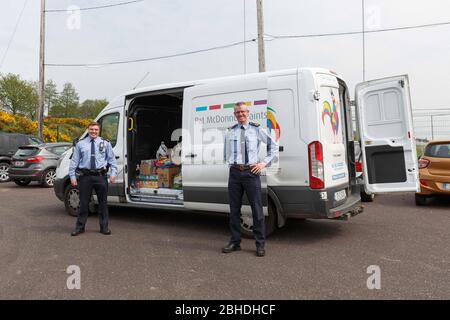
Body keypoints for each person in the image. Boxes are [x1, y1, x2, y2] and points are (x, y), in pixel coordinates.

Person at [222, 102, 279, 257]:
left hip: (251, 173)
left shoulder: (256, 130)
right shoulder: (230, 132)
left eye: (243, 112)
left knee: (257, 209)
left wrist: (262, 164)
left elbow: (273, 147)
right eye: (237, 112)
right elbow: (226, 153)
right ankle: (235, 242)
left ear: (248, 113)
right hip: (234, 173)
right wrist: (231, 164)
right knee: (234, 210)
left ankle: (260, 244)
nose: (240, 114)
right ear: (234, 114)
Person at [69, 122, 117, 236]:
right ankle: (80, 227)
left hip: (101, 176)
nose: (93, 131)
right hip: (85, 177)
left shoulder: (105, 143)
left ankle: (104, 227)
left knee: (103, 204)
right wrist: (72, 176)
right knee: (84, 203)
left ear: (99, 130)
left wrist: (113, 173)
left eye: (95, 129)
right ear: (88, 130)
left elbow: (112, 160)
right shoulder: (80, 144)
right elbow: (74, 161)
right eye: (91, 129)